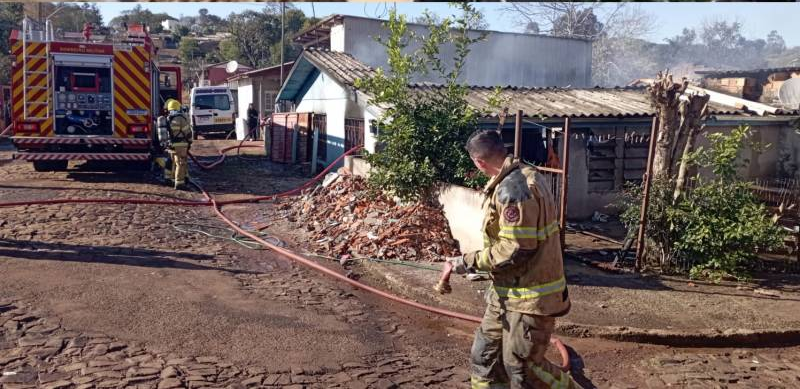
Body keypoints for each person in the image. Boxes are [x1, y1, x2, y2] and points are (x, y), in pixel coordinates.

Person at [447, 130, 581, 389]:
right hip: (506, 293)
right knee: (485, 358)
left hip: (530, 297)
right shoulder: (516, 179)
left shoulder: (514, 190)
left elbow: (516, 248)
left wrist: (468, 261)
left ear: (479, 162)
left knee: (523, 367)